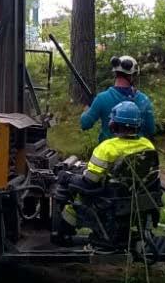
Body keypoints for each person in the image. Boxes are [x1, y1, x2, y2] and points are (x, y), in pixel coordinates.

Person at [55, 101, 156, 243]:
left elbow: (89, 182)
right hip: (136, 197)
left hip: (109, 202)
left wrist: (68, 178)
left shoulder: (107, 148)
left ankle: (62, 237)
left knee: (71, 205)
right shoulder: (147, 145)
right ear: (137, 124)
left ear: (113, 124)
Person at [80, 55, 155, 142]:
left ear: (115, 73)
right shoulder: (144, 99)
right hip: (137, 152)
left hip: (108, 153)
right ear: (133, 76)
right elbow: (151, 130)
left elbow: (85, 124)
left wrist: (87, 109)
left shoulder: (101, 98)